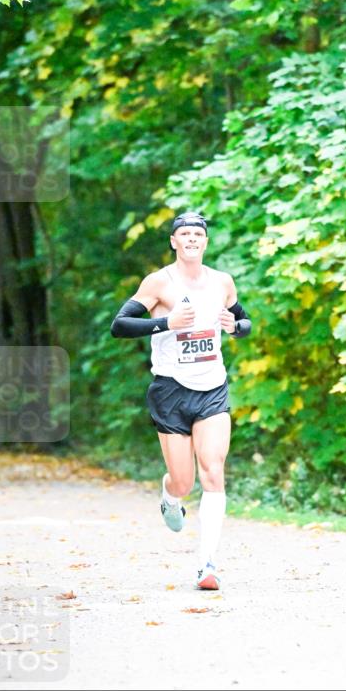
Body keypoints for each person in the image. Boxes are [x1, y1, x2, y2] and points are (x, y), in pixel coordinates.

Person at [110, 212, 251, 591]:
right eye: (184, 234)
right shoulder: (159, 282)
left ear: (205, 242)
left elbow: (244, 321)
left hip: (212, 389)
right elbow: (119, 325)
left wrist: (235, 328)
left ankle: (206, 564)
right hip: (171, 390)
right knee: (184, 482)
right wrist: (165, 324)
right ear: (174, 241)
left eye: (197, 234)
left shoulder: (222, 281)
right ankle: (170, 496)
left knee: (213, 471)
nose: (191, 239)